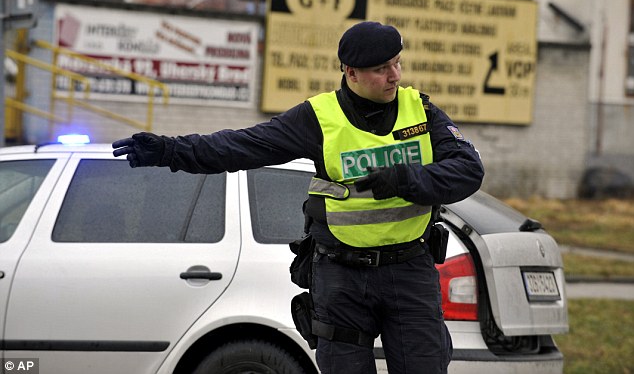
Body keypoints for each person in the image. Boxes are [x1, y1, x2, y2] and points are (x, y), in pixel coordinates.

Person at [112, 21, 484, 374]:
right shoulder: (318, 118)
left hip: (410, 271)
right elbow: (240, 146)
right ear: (351, 72)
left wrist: (406, 179)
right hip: (343, 277)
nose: (395, 76)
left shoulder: (420, 111)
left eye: (397, 64)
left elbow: (468, 170)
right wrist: (169, 151)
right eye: (382, 68)